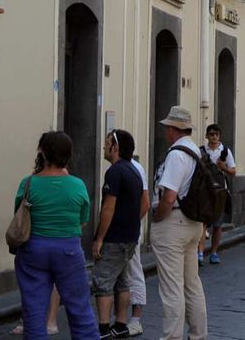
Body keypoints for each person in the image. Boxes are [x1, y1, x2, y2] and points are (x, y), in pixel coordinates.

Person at [14, 131, 98, 339]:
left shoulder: (28, 184)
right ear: (68, 155)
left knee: (33, 312)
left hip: (33, 249)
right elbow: (83, 219)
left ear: (41, 152)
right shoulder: (77, 185)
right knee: (79, 308)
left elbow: (19, 217)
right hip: (68, 249)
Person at [150, 106, 207, 340]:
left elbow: (169, 196)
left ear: (173, 129)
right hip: (194, 224)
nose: (166, 132)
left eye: (167, 128)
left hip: (174, 222)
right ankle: (198, 335)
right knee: (192, 285)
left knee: (172, 288)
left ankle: (172, 337)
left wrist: (157, 217)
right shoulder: (196, 151)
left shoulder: (176, 154)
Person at [92, 130, 144, 339]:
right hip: (130, 237)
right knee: (122, 281)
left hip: (114, 238)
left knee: (103, 282)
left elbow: (108, 208)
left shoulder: (114, 172)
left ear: (116, 148)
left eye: (107, 144)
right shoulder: (134, 171)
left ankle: (103, 328)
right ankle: (121, 324)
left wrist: (99, 238)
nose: (104, 147)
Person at [197, 124, 235, 265]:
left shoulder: (225, 151)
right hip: (204, 191)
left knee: (218, 224)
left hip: (220, 191)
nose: (214, 137)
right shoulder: (200, 151)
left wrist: (223, 167)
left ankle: (213, 252)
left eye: (216, 134)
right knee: (203, 222)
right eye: (211, 134)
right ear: (207, 136)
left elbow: (233, 172)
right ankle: (200, 252)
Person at [125, 154, 151, 337]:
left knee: (134, 271)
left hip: (129, 231)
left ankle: (135, 320)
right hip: (124, 231)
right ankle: (121, 320)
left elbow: (145, 202)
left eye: (108, 143)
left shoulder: (133, 169)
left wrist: (132, 224)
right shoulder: (127, 168)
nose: (104, 146)